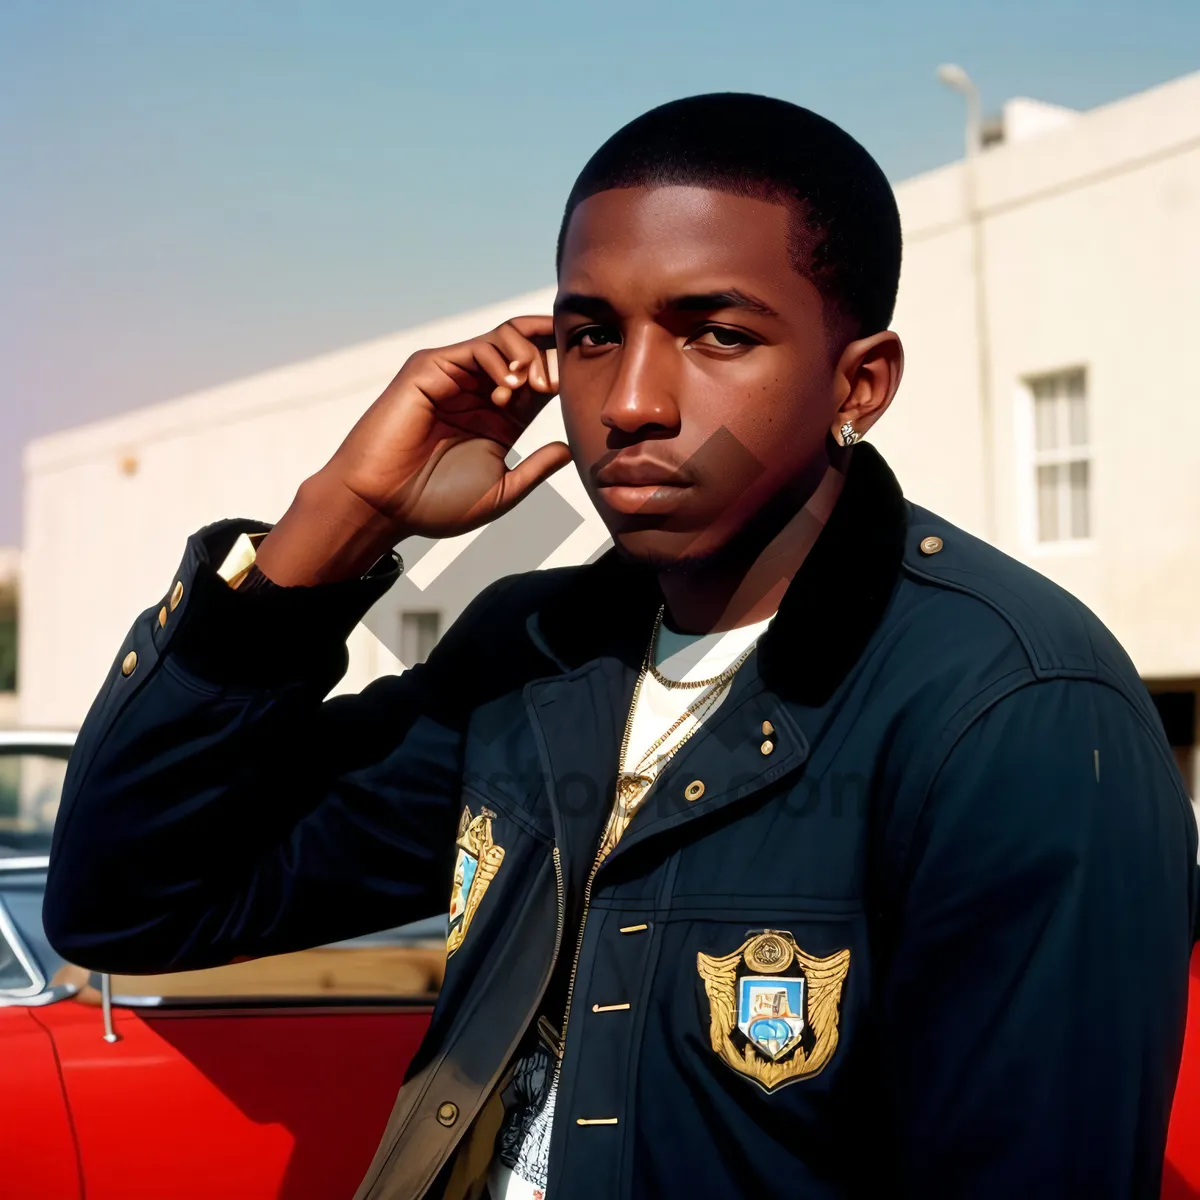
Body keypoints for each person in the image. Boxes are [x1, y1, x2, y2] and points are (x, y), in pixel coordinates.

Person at [44, 93, 1198, 1199]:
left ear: (861, 382)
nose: (633, 400)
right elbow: (136, 900)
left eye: (716, 334)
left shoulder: (1018, 710)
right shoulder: (537, 652)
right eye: (593, 335)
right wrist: (342, 516)